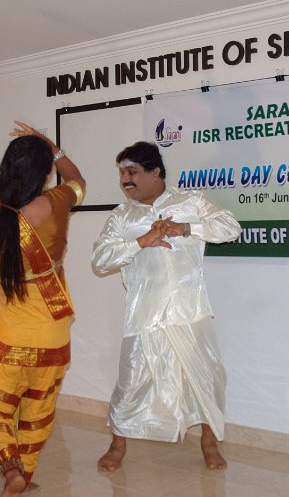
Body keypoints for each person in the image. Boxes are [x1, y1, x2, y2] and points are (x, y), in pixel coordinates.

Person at [0, 121, 85, 496]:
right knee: (38, 407)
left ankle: (10, 467)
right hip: (52, 334)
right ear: (44, 175)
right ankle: (24, 474)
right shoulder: (57, 202)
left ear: (6, 172)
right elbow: (78, 181)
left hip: (6, 337)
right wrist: (53, 147)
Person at [91, 141, 241, 472]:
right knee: (131, 382)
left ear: (155, 171)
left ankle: (209, 442)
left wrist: (186, 228)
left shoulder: (190, 201)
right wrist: (140, 242)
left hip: (190, 311)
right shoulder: (122, 217)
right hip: (144, 314)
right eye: (122, 173)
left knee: (206, 378)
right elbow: (100, 261)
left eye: (132, 172)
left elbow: (231, 227)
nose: (125, 180)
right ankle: (117, 445)